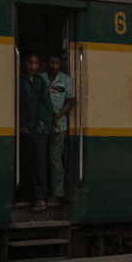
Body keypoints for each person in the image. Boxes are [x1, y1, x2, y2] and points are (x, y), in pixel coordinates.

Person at [18, 53, 53, 211]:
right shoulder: (19, 80)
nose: (33, 66)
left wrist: (42, 126)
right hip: (24, 128)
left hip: (38, 128)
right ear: (24, 63)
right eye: (30, 62)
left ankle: (40, 198)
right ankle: (27, 196)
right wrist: (21, 124)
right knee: (26, 162)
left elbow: (46, 105)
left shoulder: (40, 81)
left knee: (39, 162)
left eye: (36, 63)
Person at [42, 53, 76, 207]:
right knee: (41, 158)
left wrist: (58, 116)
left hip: (59, 125)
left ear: (60, 64)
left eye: (56, 63)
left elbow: (71, 101)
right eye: (51, 63)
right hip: (41, 124)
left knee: (55, 158)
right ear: (47, 64)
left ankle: (57, 193)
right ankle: (41, 193)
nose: (54, 65)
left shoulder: (66, 79)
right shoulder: (40, 78)